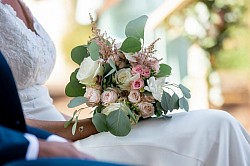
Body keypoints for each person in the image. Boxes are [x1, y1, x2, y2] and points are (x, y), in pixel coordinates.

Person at [0, 0, 250, 166]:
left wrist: (123, 105)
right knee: (215, 128)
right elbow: (11, 124)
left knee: (221, 124)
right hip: (42, 140)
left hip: (64, 124)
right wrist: (93, 125)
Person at [0, 51, 129, 166]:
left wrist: (54, 140)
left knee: (145, 131)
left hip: (40, 134)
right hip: (17, 148)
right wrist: (37, 146)